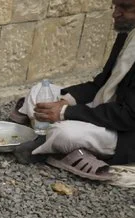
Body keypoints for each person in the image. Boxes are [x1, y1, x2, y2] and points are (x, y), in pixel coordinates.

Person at [11, 0, 135, 180]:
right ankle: (61, 147)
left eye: (125, 8)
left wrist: (65, 113)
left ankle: (56, 145)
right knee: (39, 90)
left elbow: (128, 116)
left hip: (125, 132)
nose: (115, 13)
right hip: (103, 109)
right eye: (116, 6)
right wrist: (66, 101)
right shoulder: (128, 33)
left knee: (65, 133)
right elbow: (101, 83)